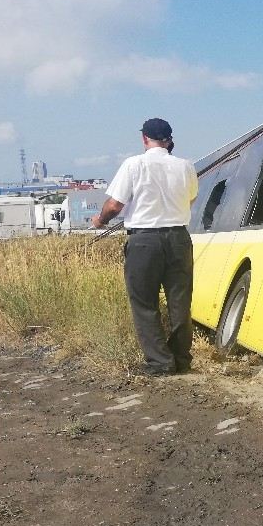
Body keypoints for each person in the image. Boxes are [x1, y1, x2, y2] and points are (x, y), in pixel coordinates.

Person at [92, 118, 199, 376]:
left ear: (144, 139)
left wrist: (100, 220)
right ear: (168, 139)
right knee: (180, 302)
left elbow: (115, 204)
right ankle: (181, 360)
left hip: (144, 241)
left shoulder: (134, 164)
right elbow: (191, 198)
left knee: (144, 302)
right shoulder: (185, 166)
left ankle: (160, 362)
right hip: (178, 238)